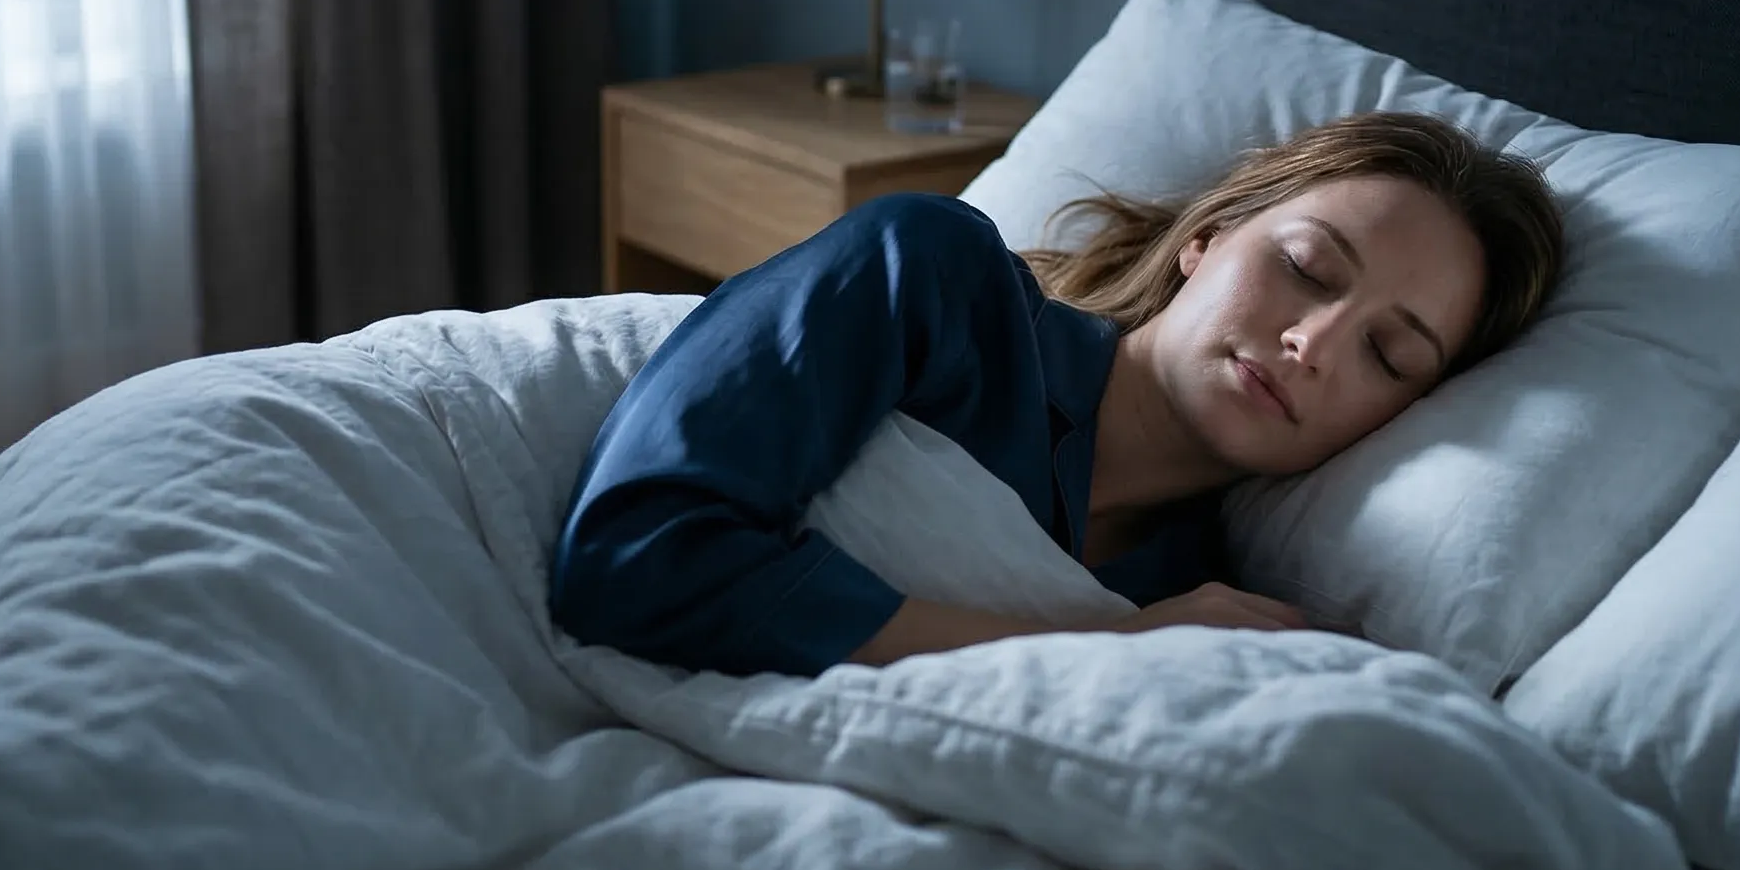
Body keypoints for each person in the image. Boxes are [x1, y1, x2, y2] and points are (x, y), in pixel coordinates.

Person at [548, 110, 1565, 677]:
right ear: (1203, 240)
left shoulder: (1215, 602)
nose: (1313, 342)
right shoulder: (932, 278)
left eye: (1389, 357)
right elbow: (630, 556)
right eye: (1304, 265)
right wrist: (1116, 647)